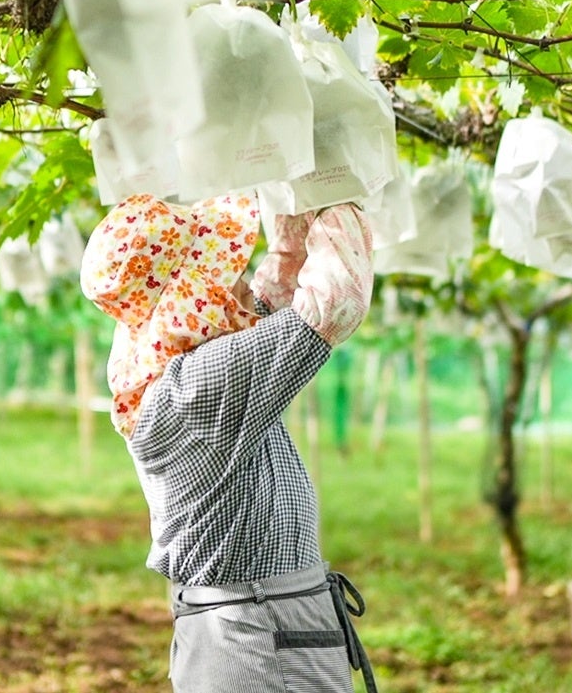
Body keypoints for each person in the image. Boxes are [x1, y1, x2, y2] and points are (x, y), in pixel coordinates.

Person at [81, 193, 378, 693]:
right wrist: (334, 183)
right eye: (222, 271)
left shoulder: (179, 371)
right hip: (261, 642)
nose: (237, 278)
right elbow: (334, 300)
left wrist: (293, 186)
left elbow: (270, 295)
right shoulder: (203, 384)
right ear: (191, 299)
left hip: (249, 631)